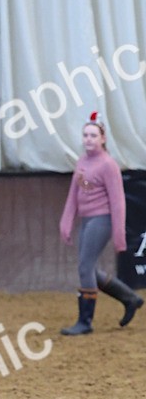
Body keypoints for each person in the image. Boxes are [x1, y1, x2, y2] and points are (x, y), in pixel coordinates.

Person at [59, 112, 142, 334]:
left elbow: (118, 202)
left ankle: (85, 322)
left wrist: (119, 235)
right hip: (87, 219)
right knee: (90, 270)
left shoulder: (108, 165)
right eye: (85, 135)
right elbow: (73, 194)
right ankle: (130, 298)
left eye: (93, 135)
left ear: (102, 139)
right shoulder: (82, 161)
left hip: (101, 219)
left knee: (85, 267)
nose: (88, 139)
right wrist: (66, 222)